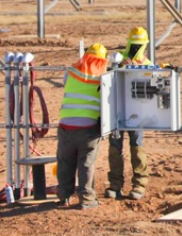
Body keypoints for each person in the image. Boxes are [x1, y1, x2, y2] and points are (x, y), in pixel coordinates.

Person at [56, 43, 109, 209]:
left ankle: (64, 196)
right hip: (88, 127)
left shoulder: (70, 72)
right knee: (85, 164)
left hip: (65, 125)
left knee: (65, 162)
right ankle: (86, 199)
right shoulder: (104, 78)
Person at [105, 27, 150, 200]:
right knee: (115, 148)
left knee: (136, 147)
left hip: (137, 112)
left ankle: (139, 185)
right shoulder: (118, 60)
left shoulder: (147, 64)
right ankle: (115, 185)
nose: (137, 48)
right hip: (117, 112)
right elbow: (107, 83)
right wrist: (119, 68)